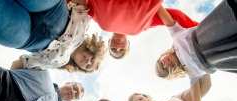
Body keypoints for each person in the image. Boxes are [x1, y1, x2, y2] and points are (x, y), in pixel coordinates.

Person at [155, 0, 237, 101]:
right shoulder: (191, 73)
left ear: (162, 55)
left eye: (161, 63)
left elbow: (158, 8)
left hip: (209, 33)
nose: (166, 65)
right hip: (219, 58)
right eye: (166, 70)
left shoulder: (175, 35)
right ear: (173, 73)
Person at [0, 0, 106, 73]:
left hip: (28, 37)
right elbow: (80, 2)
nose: (88, 62)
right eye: (92, 58)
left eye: (87, 66)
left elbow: (22, 63)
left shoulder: (58, 63)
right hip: (52, 9)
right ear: (93, 50)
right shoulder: (84, 28)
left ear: (80, 68)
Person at [67, 0, 198, 59]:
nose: (118, 47)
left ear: (109, 41)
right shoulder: (143, 26)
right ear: (128, 44)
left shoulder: (99, 19)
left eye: (113, 49)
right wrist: (198, 30)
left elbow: (76, 6)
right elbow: (175, 16)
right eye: (122, 50)